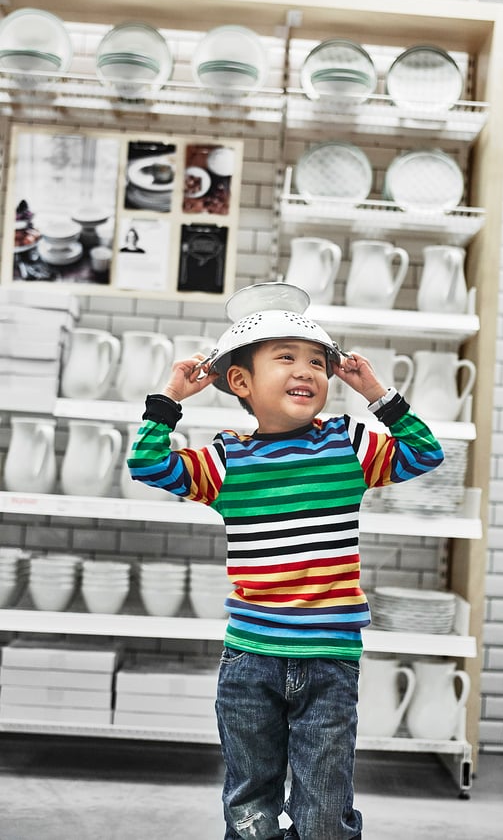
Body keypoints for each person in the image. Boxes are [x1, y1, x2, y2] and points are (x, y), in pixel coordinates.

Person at [127, 284, 444, 840]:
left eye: (318, 362)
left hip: (329, 662)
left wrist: (374, 391)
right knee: (251, 807)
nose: (307, 371)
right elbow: (148, 463)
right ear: (242, 382)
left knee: (324, 814)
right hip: (251, 660)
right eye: (287, 358)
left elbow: (424, 453)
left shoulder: (348, 444)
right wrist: (170, 398)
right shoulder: (226, 460)